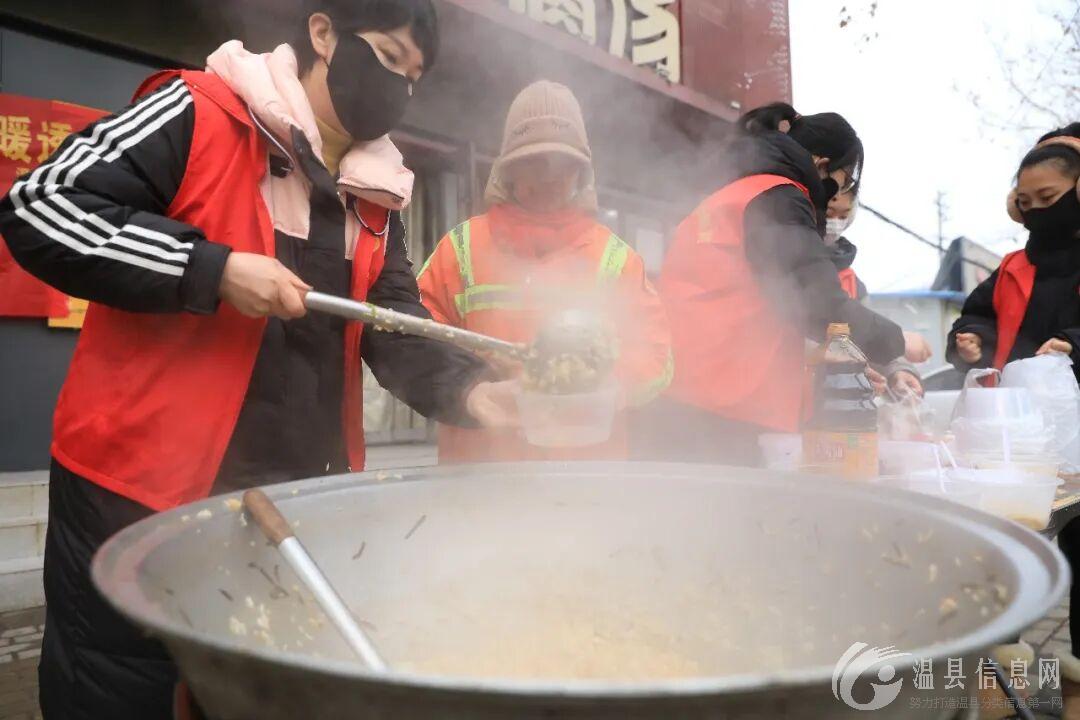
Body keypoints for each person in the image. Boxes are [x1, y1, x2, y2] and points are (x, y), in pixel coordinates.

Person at [0, 2, 519, 717]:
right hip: (139, 495)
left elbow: (390, 320)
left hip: (285, 507)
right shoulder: (200, 111)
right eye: (389, 58)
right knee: (122, 692)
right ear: (323, 34)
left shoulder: (376, 196)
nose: (399, 87)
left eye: (414, 77)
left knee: (256, 694)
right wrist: (211, 270)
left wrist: (472, 393)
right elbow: (40, 204)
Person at [416, 80, 673, 463]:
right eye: (531, 163)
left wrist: (606, 385)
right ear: (507, 170)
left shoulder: (616, 259)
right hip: (478, 477)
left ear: (581, 172)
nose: (548, 177)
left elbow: (657, 358)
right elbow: (416, 339)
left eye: (562, 164)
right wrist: (473, 380)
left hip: (588, 477)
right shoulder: (460, 249)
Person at [636, 102, 905, 465]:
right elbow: (816, 302)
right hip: (729, 417)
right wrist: (898, 343)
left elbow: (745, 307)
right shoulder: (777, 196)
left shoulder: (724, 197)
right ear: (823, 165)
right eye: (845, 179)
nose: (838, 194)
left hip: (680, 405)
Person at [948, 124, 1080, 690]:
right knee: (1006, 549)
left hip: (1076, 442)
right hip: (1015, 443)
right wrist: (969, 338)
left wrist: (1075, 341)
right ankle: (1001, 680)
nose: (1037, 213)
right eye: (1026, 203)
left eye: (1049, 200)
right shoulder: (1012, 267)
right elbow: (978, 313)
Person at [824, 188, 930, 398]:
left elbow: (866, 343)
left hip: (839, 412)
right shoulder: (787, 265)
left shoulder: (853, 282)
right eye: (828, 213)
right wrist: (898, 340)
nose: (835, 222)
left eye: (843, 215)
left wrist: (897, 371)